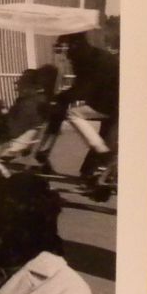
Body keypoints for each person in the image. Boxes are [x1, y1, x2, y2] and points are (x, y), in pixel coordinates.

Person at [37, 33, 118, 182]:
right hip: (114, 103)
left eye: (65, 48)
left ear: (74, 46)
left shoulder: (85, 60)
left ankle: (102, 157)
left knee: (73, 114)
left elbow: (83, 89)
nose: (66, 55)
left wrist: (59, 98)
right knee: (104, 143)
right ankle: (92, 175)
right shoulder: (96, 56)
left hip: (112, 104)